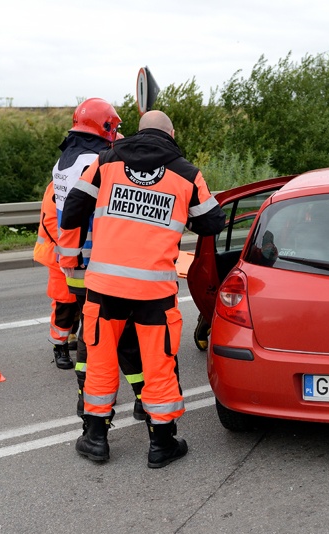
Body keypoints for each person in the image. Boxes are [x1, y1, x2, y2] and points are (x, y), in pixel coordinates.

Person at [59, 110, 225, 468]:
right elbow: (213, 222)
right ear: (172, 133)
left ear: (138, 131)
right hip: (154, 293)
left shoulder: (105, 162)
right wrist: (180, 210)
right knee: (159, 366)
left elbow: (71, 210)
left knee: (100, 363)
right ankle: (161, 444)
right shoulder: (187, 173)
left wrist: (72, 255)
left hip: (105, 288)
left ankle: (95, 438)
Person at [52, 99, 146, 432]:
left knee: (90, 334)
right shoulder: (96, 160)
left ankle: (88, 401)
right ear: (105, 127)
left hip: (73, 263)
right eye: (114, 127)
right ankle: (141, 401)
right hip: (98, 263)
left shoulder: (65, 160)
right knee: (125, 335)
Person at [33, 178, 78, 370]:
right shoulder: (59, 185)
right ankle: (60, 347)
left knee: (83, 302)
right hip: (59, 256)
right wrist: (69, 252)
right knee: (65, 304)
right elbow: (51, 221)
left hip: (80, 254)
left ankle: (73, 337)